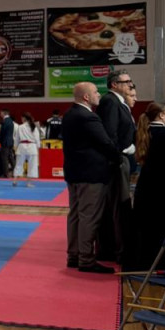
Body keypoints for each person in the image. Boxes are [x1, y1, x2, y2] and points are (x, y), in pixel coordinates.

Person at [62, 81, 121, 273]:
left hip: (74, 173)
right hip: (91, 174)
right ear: (86, 97)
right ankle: (86, 259)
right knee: (89, 216)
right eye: (96, 92)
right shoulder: (88, 117)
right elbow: (105, 143)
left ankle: (74, 255)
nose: (99, 95)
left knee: (75, 215)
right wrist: (118, 158)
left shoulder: (69, 115)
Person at [96, 71, 137, 264]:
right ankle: (116, 250)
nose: (130, 84)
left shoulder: (119, 103)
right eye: (126, 81)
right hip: (116, 161)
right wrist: (118, 156)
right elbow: (109, 134)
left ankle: (116, 249)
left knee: (119, 206)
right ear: (114, 84)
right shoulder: (110, 102)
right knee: (118, 207)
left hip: (121, 159)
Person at [132, 102, 165, 270]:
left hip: (145, 187)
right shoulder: (164, 134)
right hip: (160, 189)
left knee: (146, 228)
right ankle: (159, 263)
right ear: (161, 115)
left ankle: (145, 262)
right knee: (159, 229)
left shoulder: (143, 132)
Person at [13, 112, 40, 185]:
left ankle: (15, 181)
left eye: (22, 118)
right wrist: (38, 147)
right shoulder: (33, 126)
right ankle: (28, 182)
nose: (21, 119)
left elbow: (16, 139)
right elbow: (37, 138)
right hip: (32, 147)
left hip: (22, 146)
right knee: (32, 165)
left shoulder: (20, 127)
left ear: (24, 118)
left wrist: (15, 146)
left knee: (19, 164)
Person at [0, 110, 15, 179]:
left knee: (5, 158)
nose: (0, 114)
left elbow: (2, 132)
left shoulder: (5, 121)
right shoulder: (11, 121)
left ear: (4, 113)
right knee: (11, 157)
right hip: (10, 142)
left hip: (5, 142)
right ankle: (16, 171)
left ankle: (6, 174)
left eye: (1, 113)